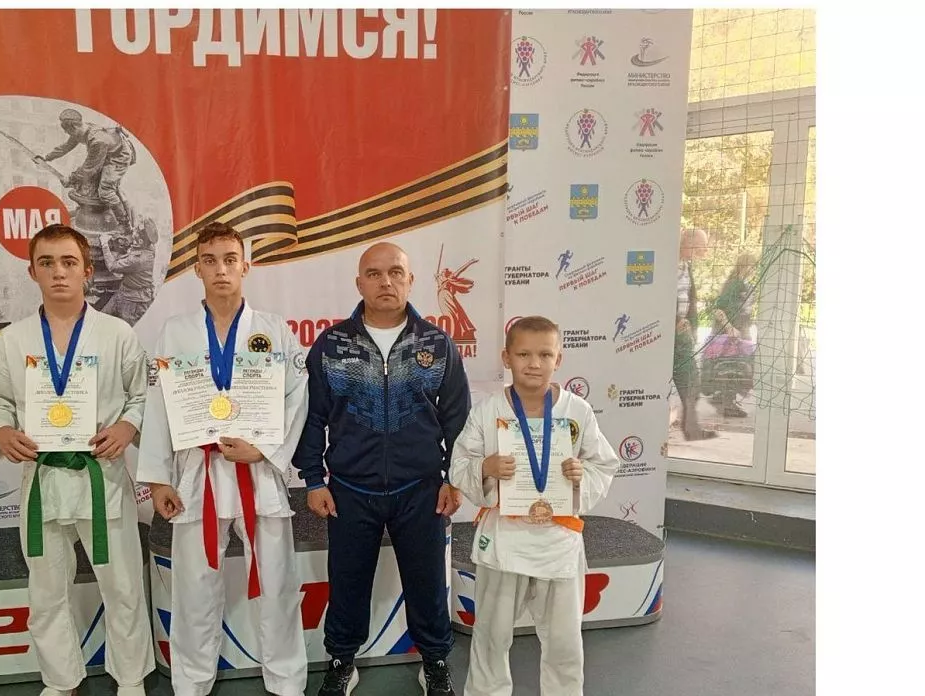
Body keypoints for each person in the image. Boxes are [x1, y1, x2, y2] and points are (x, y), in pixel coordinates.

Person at [0, 224, 152, 696]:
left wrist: (127, 426)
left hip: (101, 476)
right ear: (31, 272)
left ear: (87, 271)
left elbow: (140, 396)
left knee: (123, 587)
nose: (58, 272)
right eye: (47, 262)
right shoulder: (13, 339)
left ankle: (130, 677)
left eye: (69, 262)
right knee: (46, 592)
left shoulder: (116, 334)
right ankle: (60, 680)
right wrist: (1, 430)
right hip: (43, 479)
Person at [137, 222, 311, 696]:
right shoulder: (174, 332)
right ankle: (191, 683)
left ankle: (286, 682)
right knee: (193, 589)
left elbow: (298, 397)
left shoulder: (274, 330)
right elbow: (159, 406)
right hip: (198, 474)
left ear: (245, 266)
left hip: (259, 474)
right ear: (197, 269)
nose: (221, 269)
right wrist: (158, 479)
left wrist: (266, 448)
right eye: (210, 260)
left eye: (230, 259)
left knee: (276, 584)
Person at [293, 241, 470, 696]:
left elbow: (458, 420)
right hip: (350, 489)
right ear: (359, 283)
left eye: (395, 272)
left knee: (428, 583)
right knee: (347, 582)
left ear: (410, 281)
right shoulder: (332, 345)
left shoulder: (436, 344)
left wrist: (454, 479)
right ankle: (341, 660)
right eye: (374, 273)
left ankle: (435, 662)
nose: (385, 281)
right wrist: (313, 479)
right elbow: (312, 416)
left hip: (421, 489)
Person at [448, 316, 620, 696]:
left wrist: (581, 475)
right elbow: (459, 464)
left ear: (559, 358)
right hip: (504, 540)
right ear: (506, 357)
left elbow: (604, 464)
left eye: (544, 354)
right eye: (523, 354)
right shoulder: (488, 410)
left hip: (558, 542)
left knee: (564, 644)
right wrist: (485, 467)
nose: (534, 363)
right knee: (491, 638)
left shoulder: (577, 410)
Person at [35, 109, 139, 233]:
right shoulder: (81, 130)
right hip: (106, 153)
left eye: (67, 131)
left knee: (106, 190)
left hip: (118, 157)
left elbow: (89, 168)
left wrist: (71, 179)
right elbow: (66, 147)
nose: (67, 133)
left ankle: (124, 224)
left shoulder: (97, 140)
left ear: (74, 127)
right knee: (90, 185)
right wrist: (46, 157)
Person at [673, 228, 716, 440]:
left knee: (691, 381)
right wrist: (673, 321)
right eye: (701, 246)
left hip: (683, 334)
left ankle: (692, 430)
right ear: (687, 242)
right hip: (664, 333)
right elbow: (655, 294)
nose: (703, 252)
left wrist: (693, 327)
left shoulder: (686, 266)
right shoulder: (666, 261)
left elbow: (691, 299)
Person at [706, 252, 759, 419]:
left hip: (741, 331)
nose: (754, 269)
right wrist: (729, 328)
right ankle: (727, 402)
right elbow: (718, 308)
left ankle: (722, 397)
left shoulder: (744, 283)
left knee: (737, 366)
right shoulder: (735, 284)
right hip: (731, 334)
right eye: (752, 266)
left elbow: (745, 309)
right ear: (744, 265)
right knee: (734, 367)